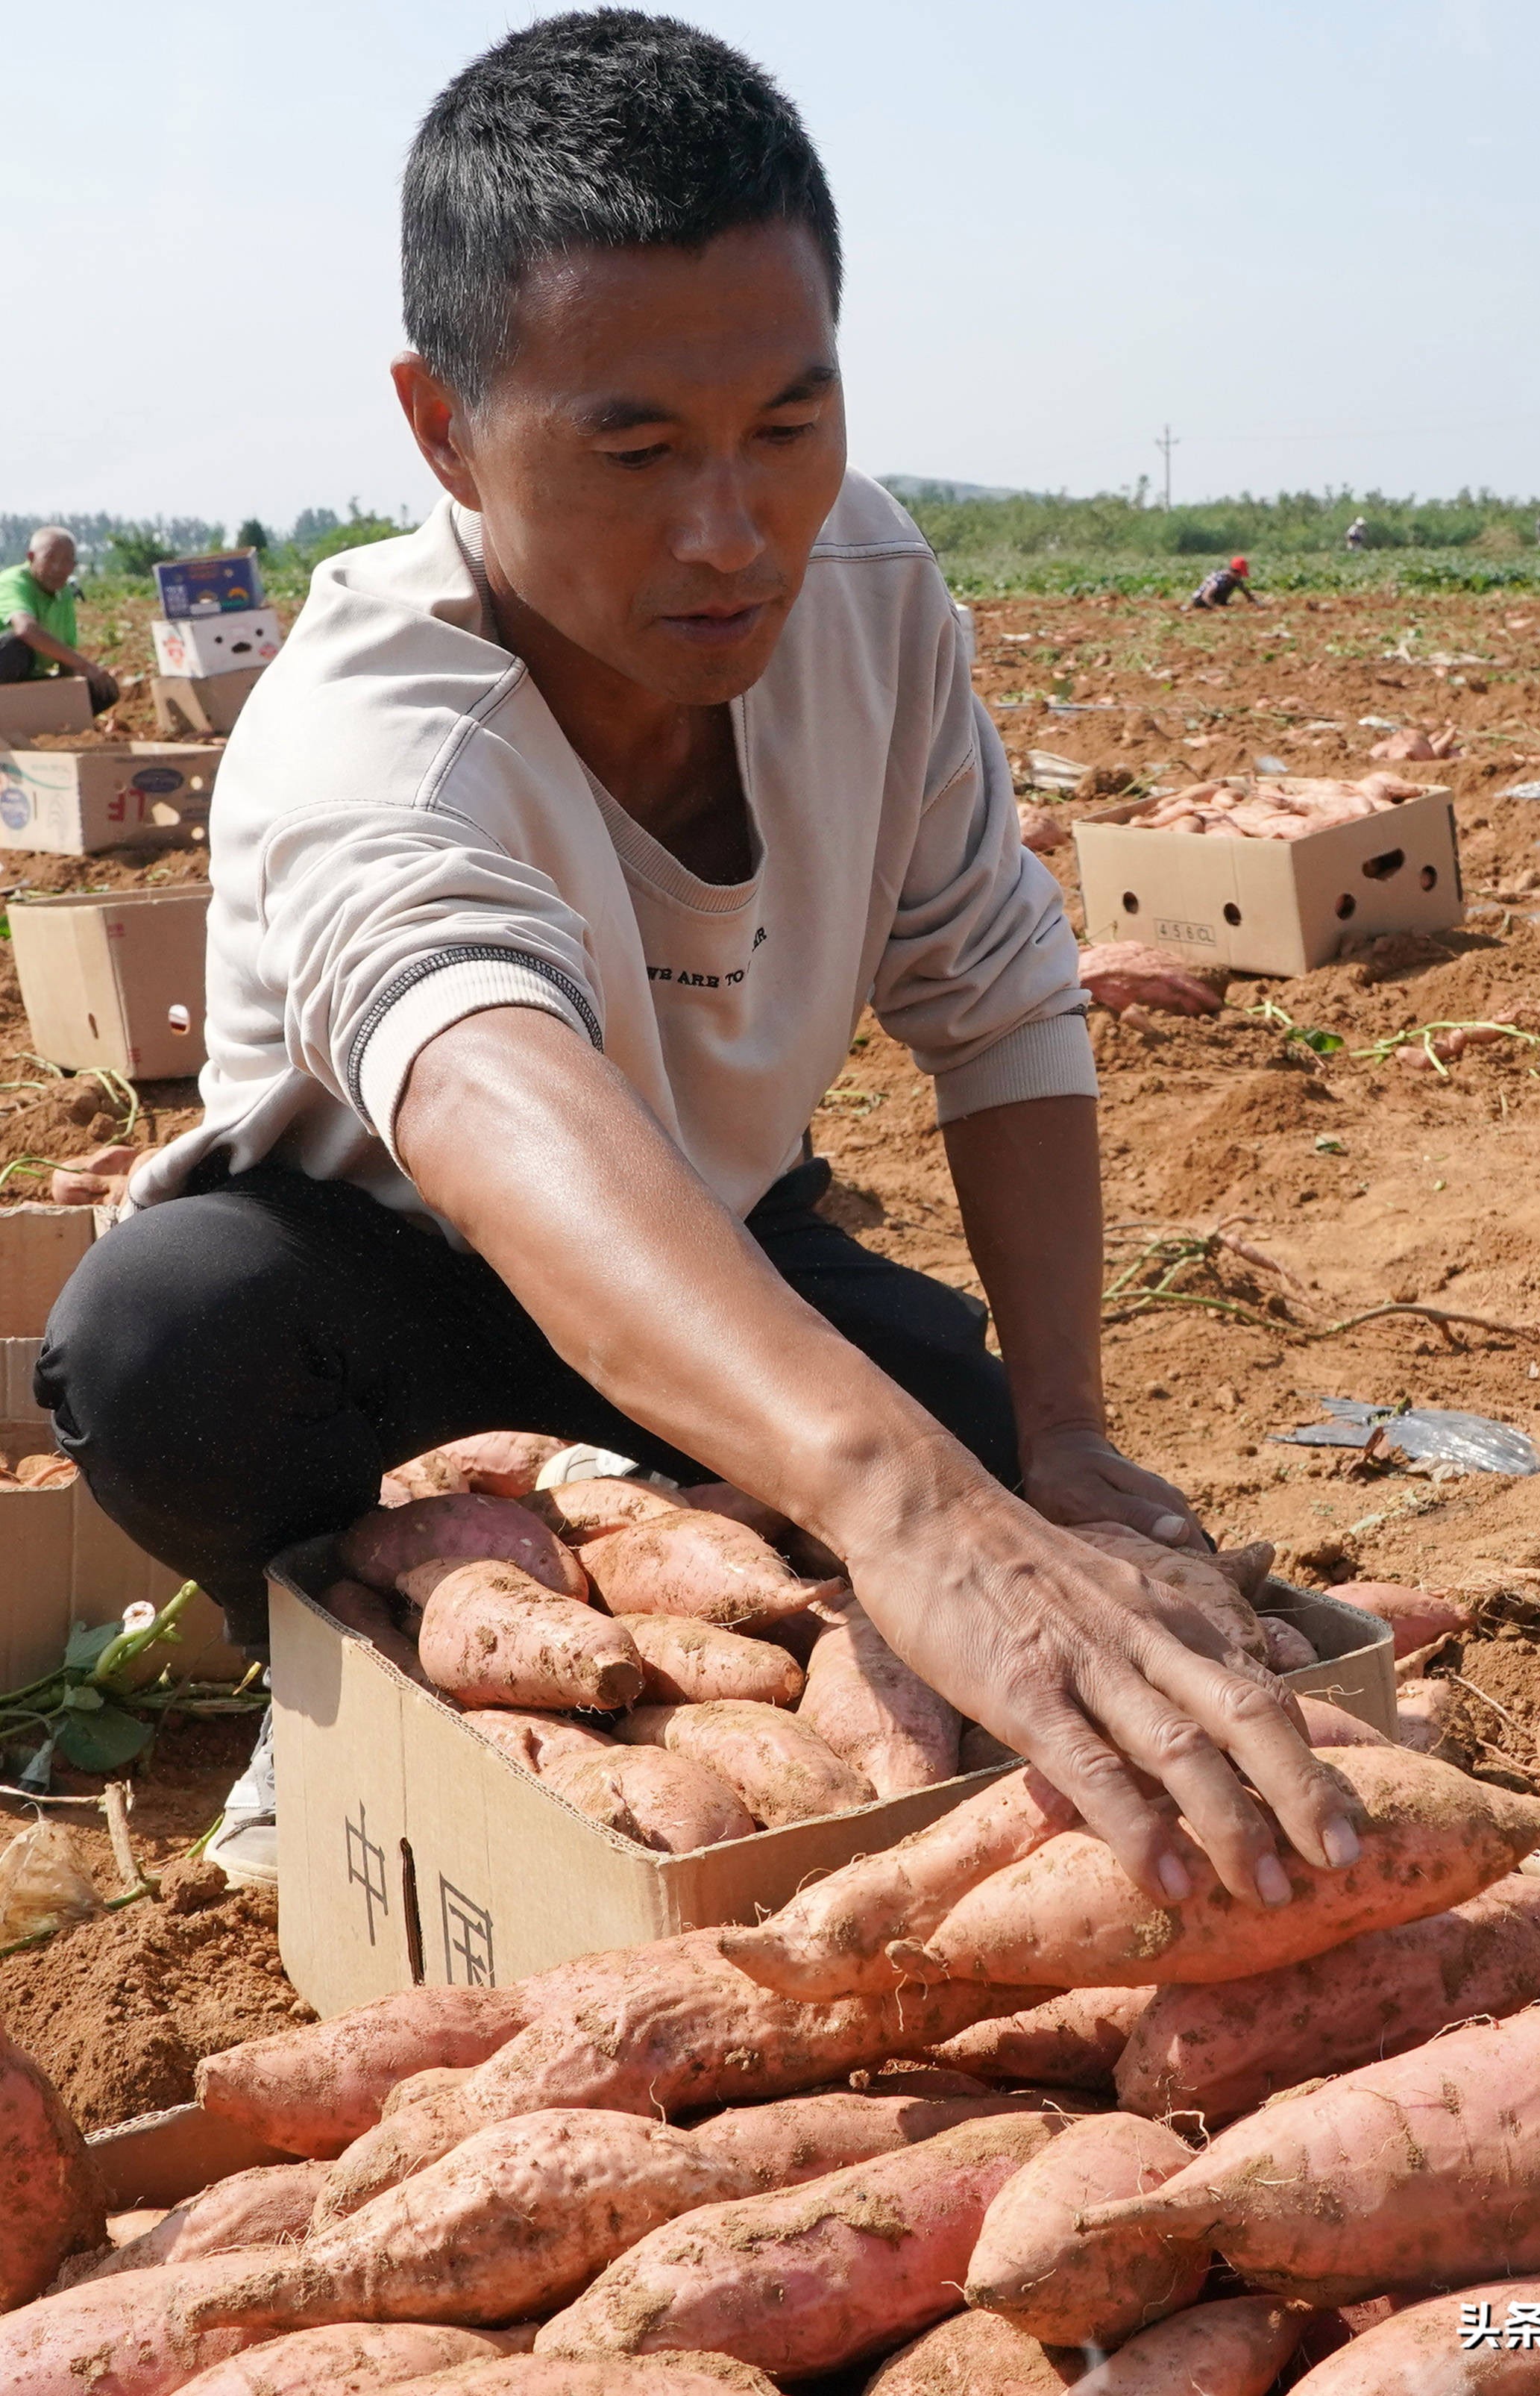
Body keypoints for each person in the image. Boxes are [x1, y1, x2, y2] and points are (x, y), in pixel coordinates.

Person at [35, 12, 1361, 1902]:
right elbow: (482, 1072)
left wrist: (1053, 1441)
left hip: (713, 1245)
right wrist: (893, 1496)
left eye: (789, 428)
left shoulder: (873, 595)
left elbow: (993, 997)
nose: (732, 531)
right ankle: (334, 1666)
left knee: (984, 1451)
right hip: (381, 1293)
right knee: (160, 1341)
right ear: (443, 430)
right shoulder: (375, 727)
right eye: (636, 447)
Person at [0, 528, 119, 714]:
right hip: (8, 673)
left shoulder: (63, 592)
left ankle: (47, 726)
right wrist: (86, 665)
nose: (58, 568)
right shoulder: (13, 582)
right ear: (31, 557)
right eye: (50, 559)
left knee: (103, 689)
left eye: (67, 561)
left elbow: (67, 656)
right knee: (14, 648)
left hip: (27, 681)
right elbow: (26, 629)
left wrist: (86, 678)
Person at [1184, 553, 1260, 611]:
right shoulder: (1220, 579)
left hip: (1214, 600)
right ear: (1235, 572)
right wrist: (1217, 609)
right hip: (1201, 600)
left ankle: (1220, 603)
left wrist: (1256, 603)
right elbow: (1206, 596)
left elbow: (1246, 592)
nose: (1240, 577)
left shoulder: (1235, 579)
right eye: (1240, 575)